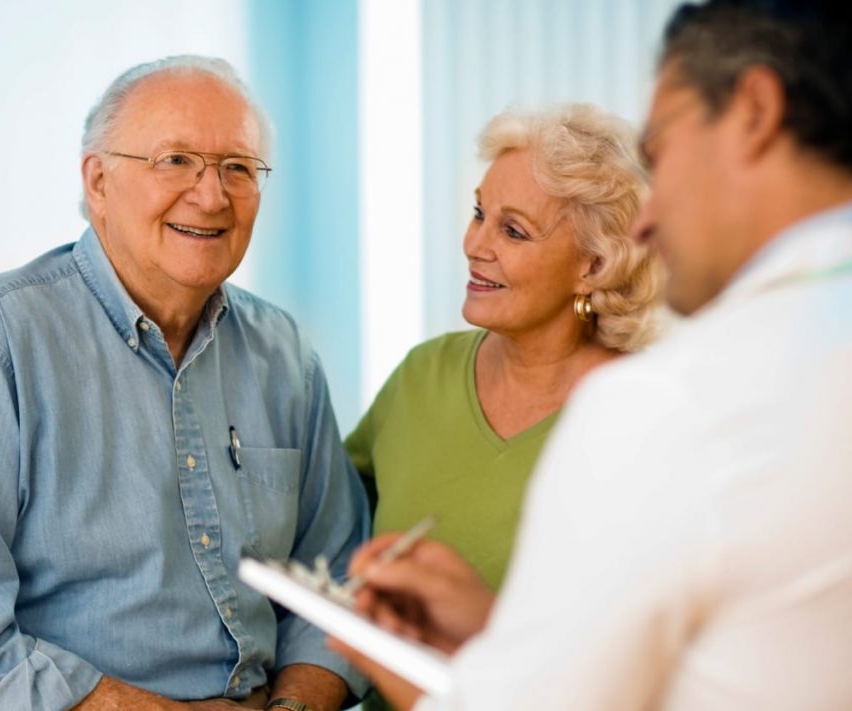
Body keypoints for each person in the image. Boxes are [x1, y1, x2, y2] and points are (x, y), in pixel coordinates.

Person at [335, 1, 852, 709]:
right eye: (479, 213)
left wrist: (377, 649)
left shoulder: (665, 406)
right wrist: (500, 637)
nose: (648, 218)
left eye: (663, 150)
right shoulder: (428, 375)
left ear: (755, 109)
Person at [0, 55, 369, 711]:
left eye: (238, 168)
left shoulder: (285, 354)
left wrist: (292, 705)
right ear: (99, 180)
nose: (211, 194)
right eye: (175, 161)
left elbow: (335, 580)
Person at [346, 103, 661, 593]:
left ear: (595, 267)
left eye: (513, 230)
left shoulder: (644, 415)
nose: (475, 244)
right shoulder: (422, 375)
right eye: (479, 213)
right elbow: (328, 534)